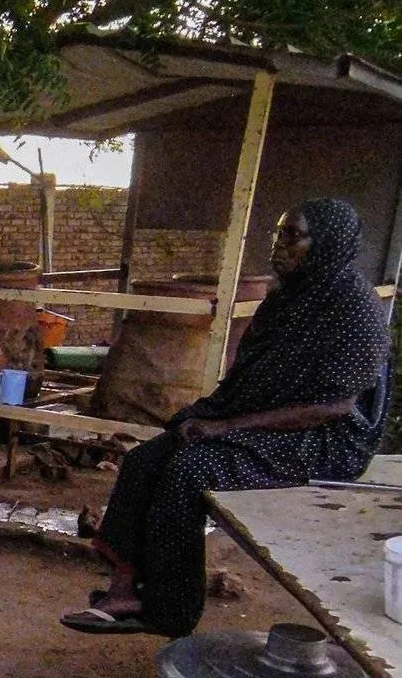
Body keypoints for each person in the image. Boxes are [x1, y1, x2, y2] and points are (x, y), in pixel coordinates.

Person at [62, 199, 391, 637]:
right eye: (278, 234)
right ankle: (124, 588)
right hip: (267, 420)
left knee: (189, 469)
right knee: (146, 459)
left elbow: (333, 407)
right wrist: (212, 415)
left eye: (291, 236)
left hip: (327, 438)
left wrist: (225, 426)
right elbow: (252, 375)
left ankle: (170, 609)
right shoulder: (287, 297)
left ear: (327, 243)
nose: (278, 246)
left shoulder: (354, 309)